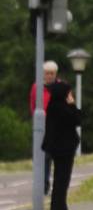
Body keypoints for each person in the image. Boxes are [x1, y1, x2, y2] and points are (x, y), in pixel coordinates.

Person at [42, 71, 81, 210]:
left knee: (59, 178)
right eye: (68, 93)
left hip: (56, 148)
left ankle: (56, 207)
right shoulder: (63, 108)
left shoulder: (52, 106)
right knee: (62, 179)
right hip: (64, 149)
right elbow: (77, 120)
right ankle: (60, 209)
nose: (70, 96)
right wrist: (72, 105)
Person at [28, 61, 58, 195]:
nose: (50, 76)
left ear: (55, 74)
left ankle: (57, 185)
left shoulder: (60, 86)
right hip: (43, 126)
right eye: (47, 73)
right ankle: (44, 184)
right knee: (44, 156)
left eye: (52, 73)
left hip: (57, 127)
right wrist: (38, 121)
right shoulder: (36, 87)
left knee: (56, 157)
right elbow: (32, 104)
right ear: (43, 74)